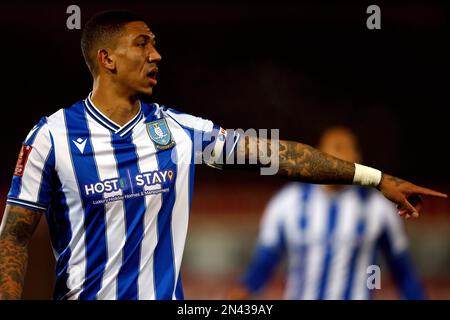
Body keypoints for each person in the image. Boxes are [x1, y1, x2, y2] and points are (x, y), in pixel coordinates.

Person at [0, 11, 445, 300]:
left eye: (155, 43)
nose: (157, 54)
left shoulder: (178, 131)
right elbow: (15, 236)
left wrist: (375, 178)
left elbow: (277, 154)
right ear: (107, 58)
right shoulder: (50, 137)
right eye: (142, 43)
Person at [228, 127, 426, 300]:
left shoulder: (378, 208)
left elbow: (403, 273)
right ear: (319, 154)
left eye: (350, 148)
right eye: (336, 147)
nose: (344, 155)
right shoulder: (287, 202)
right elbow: (263, 264)